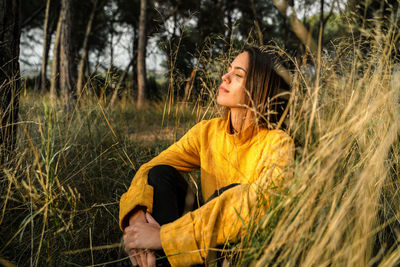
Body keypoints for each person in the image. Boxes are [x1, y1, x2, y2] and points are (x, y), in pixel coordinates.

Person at [119, 46, 295, 267]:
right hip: (194, 243)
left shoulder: (277, 142)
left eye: (238, 74)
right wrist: (137, 217)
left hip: (233, 252)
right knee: (159, 174)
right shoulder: (207, 132)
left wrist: (164, 237)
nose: (225, 76)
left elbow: (263, 203)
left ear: (260, 89)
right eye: (229, 69)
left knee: (231, 193)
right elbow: (150, 168)